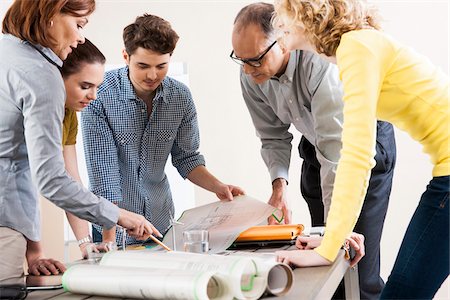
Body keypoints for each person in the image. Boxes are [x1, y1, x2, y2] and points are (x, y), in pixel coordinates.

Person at [273, 0, 449, 298]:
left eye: (283, 12)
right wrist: (332, 236)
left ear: (307, 11)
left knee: (402, 294)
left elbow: (356, 154)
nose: (276, 22)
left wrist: (329, 249)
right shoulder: (358, 46)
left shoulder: (357, 49)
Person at [231, 3, 395, 298]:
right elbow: (272, 136)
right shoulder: (250, 76)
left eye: (255, 60)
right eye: (240, 59)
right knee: (322, 261)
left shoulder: (319, 63)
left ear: (281, 39)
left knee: (356, 259)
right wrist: (279, 186)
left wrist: (336, 235)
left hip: (362, 144)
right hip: (316, 145)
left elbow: (337, 151)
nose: (247, 69)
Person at [0, 0, 157, 282]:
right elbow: (50, 179)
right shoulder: (41, 74)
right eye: (79, 24)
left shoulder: (7, 51)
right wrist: (118, 216)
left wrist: (35, 251)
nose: (80, 37)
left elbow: (18, 171)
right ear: (49, 14)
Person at [81, 13, 244, 245]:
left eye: (161, 66)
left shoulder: (180, 97)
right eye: (143, 65)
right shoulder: (100, 96)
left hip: (160, 223)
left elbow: (187, 158)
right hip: (113, 225)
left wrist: (218, 187)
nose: (152, 75)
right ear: (126, 57)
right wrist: (110, 241)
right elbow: (104, 176)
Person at [25, 38, 111, 276]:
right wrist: (35, 251)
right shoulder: (36, 107)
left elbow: (70, 180)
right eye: (85, 86)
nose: (93, 96)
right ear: (56, 78)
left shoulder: (69, 114)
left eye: (97, 87)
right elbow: (22, 184)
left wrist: (85, 243)